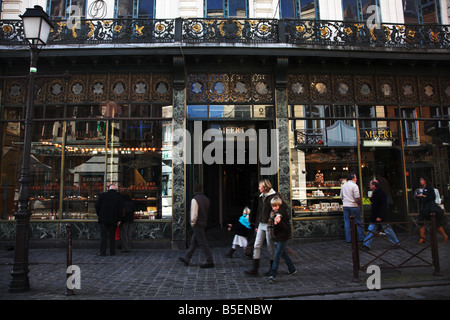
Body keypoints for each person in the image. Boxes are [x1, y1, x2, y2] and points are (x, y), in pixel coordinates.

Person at [245, 179, 281, 276]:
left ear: (265, 187)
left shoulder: (274, 196)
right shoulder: (261, 197)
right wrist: (256, 225)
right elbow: (259, 212)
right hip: (261, 224)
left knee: (270, 246)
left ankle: (272, 269)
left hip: (269, 224)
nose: (258, 188)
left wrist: (276, 219)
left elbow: (279, 209)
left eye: (260, 186)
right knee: (257, 245)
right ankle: (255, 268)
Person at [179, 184, 215, 268]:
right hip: (203, 223)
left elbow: (194, 214)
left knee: (202, 242)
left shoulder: (195, 199)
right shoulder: (206, 199)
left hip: (197, 224)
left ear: (194, 190)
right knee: (194, 242)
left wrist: (192, 223)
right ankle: (187, 258)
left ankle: (210, 261)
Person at [362, 180, 399, 249]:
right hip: (377, 215)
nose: (369, 186)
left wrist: (380, 216)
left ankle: (395, 242)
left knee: (386, 229)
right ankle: (366, 244)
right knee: (373, 229)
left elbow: (382, 206)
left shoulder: (380, 193)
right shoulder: (377, 192)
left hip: (379, 215)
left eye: (370, 185)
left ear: (374, 185)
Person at [267, 196, 296, 284]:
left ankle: (272, 274)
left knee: (277, 255)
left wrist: (278, 223)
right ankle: (292, 269)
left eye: (276, 206)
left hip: (282, 237)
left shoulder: (282, 215)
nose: (274, 208)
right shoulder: (273, 213)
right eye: (273, 206)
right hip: (277, 236)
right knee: (283, 253)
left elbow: (286, 228)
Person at [414, 177, 448, 244]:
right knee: (420, 222)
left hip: (429, 208)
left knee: (436, 223)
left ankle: (444, 236)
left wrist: (424, 196)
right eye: (420, 180)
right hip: (422, 208)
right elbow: (415, 196)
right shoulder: (419, 189)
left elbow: (433, 197)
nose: (421, 181)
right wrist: (418, 196)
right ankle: (422, 238)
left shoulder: (429, 188)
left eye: (422, 180)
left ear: (425, 181)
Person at [95, 184, 124, 256]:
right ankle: (112, 251)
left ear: (109, 189)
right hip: (113, 219)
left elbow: (97, 206)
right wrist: (119, 219)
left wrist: (100, 214)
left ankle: (103, 251)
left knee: (103, 236)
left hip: (103, 219)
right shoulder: (118, 197)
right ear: (115, 190)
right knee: (112, 236)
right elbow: (120, 209)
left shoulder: (103, 195)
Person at [340, 173, 364, 243]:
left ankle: (348, 239)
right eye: (355, 178)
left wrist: (345, 202)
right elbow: (357, 197)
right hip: (354, 206)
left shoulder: (343, 186)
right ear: (353, 178)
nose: (356, 179)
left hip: (346, 206)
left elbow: (341, 197)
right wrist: (359, 203)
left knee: (347, 223)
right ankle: (361, 238)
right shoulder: (355, 186)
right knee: (358, 222)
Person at [120, 188, 134, 253]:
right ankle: (128, 246)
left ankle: (125, 247)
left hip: (124, 218)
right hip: (130, 218)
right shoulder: (130, 199)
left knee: (124, 233)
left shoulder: (121, 200)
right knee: (129, 233)